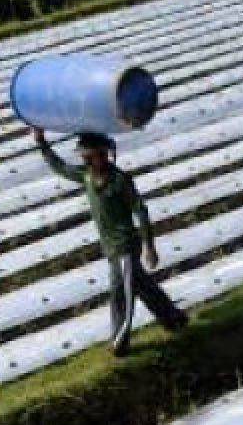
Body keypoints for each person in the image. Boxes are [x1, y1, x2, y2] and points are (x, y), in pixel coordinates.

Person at [32, 127, 187, 356]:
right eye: (90, 155)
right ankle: (173, 319)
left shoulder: (120, 181)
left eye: (97, 154)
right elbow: (60, 167)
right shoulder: (86, 177)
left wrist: (149, 246)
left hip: (125, 245)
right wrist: (41, 142)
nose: (94, 159)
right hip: (111, 247)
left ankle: (120, 340)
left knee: (120, 292)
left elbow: (140, 210)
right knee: (142, 286)